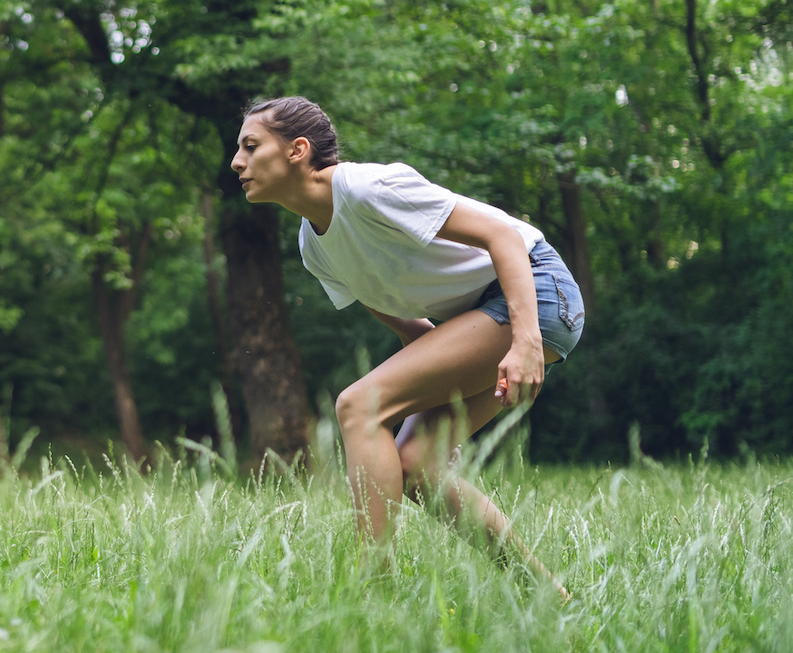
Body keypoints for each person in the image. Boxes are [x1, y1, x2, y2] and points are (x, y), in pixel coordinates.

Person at [230, 96, 580, 595]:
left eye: (250, 145)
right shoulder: (315, 247)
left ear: (297, 150)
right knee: (418, 466)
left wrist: (524, 343)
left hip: (539, 292)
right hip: (489, 315)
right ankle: (551, 597)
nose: (236, 162)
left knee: (360, 404)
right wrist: (463, 366)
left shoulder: (368, 188)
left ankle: (374, 594)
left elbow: (502, 233)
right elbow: (413, 334)